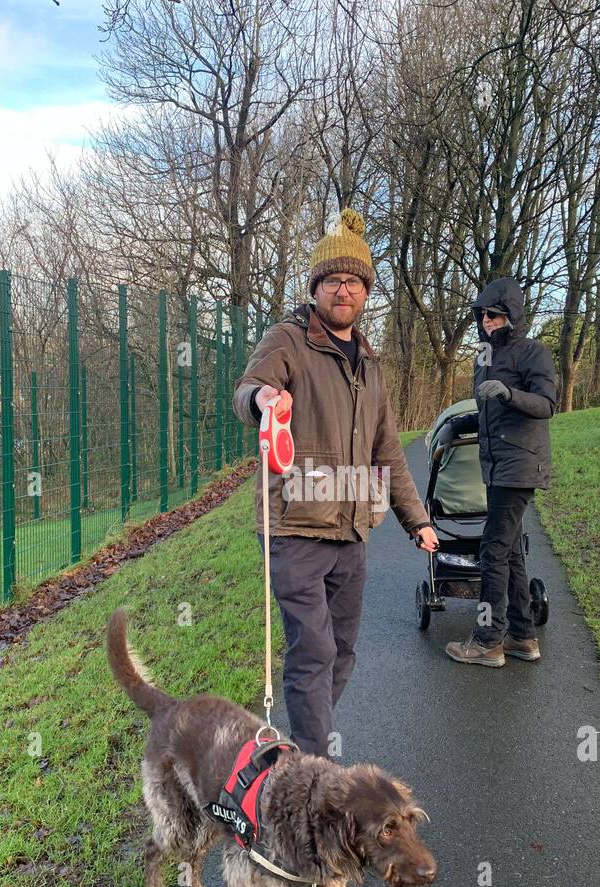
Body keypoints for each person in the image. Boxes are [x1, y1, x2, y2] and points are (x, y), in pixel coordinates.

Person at [233, 207, 438, 756]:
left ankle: (304, 749)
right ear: (317, 288)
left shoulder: (370, 364)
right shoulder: (288, 341)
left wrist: (415, 519)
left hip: (352, 527)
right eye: (331, 281)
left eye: (352, 281)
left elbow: (388, 450)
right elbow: (247, 388)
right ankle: (310, 771)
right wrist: (262, 400)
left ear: (366, 291)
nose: (342, 290)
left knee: (343, 651)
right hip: (295, 524)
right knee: (314, 650)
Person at [445, 277, 557, 667]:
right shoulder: (484, 359)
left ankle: (488, 640)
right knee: (509, 553)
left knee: (491, 550)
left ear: (511, 315)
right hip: (495, 466)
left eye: (494, 314)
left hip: (521, 465)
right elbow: (488, 414)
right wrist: (458, 426)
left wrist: (510, 394)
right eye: (482, 315)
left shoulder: (533, 354)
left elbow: (546, 404)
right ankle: (523, 636)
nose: (487, 321)